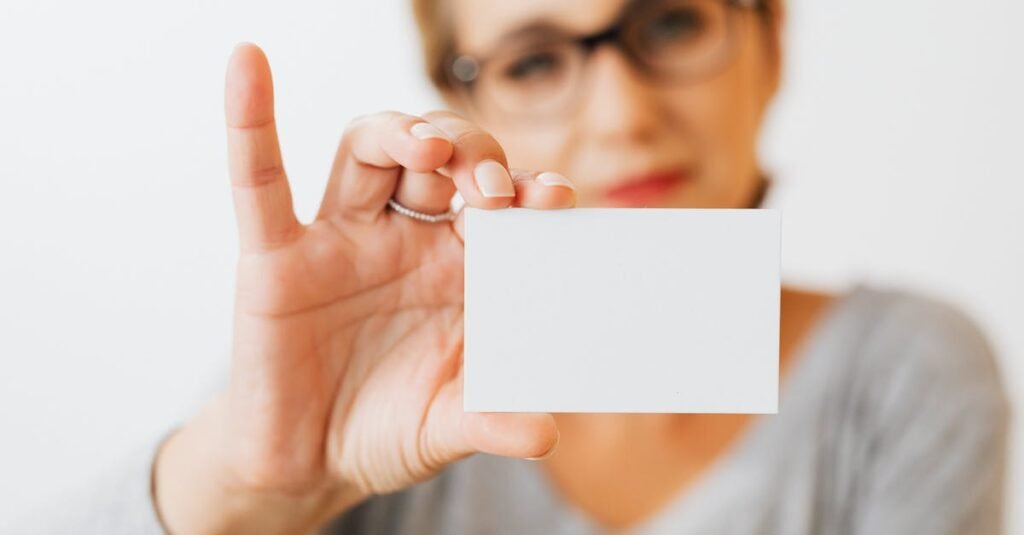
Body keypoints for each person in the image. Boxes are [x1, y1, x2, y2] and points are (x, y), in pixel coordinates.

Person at [39, 0, 1010, 533]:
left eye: (668, 24)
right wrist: (244, 484)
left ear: (771, 36)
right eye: (537, 60)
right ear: (463, 100)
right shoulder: (380, 373)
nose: (625, 114)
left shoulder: (903, 373)